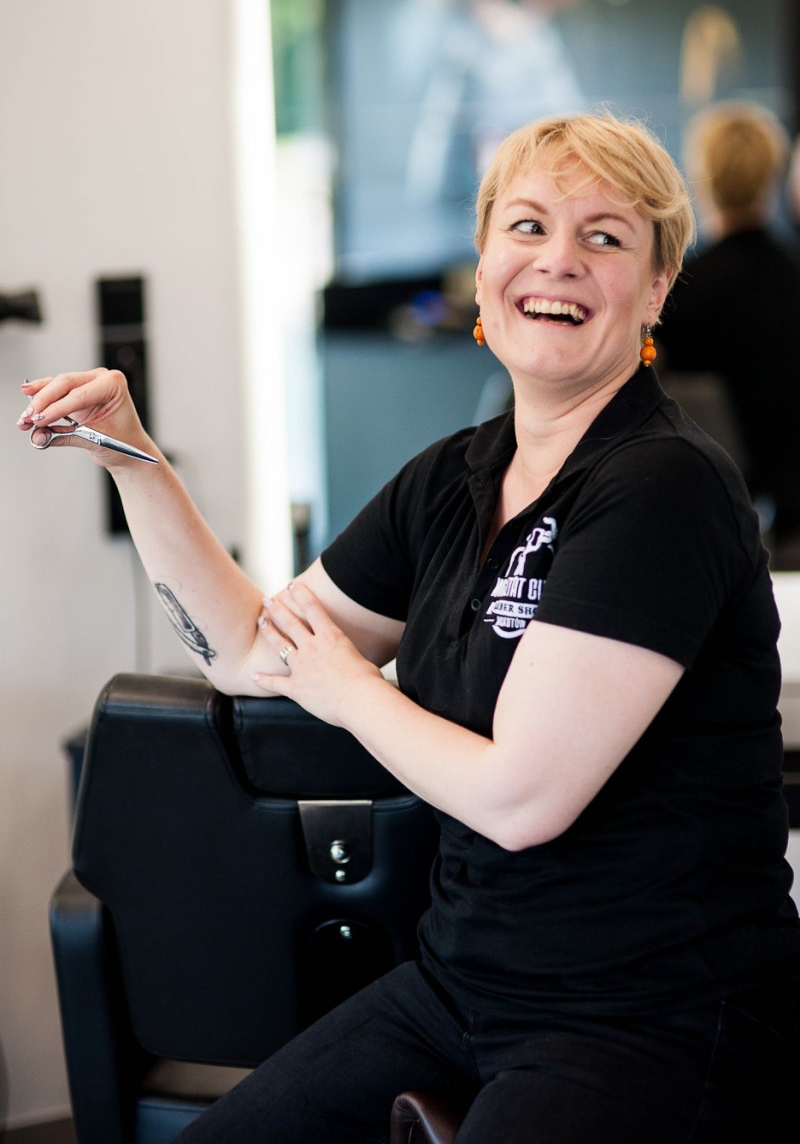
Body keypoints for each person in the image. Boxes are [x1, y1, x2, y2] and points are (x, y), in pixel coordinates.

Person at [17, 112, 800, 1142]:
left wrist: (349, 689)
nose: (557, 259)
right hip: (463, 982)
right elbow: (254, 652)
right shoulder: (450, 480)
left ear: (655, 289)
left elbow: (522, 797)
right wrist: (133, 457)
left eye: (604, 237)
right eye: (527, 225)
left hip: (650, 1014)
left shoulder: (663, 485)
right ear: (483, 263)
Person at [656, 100, 800, 569]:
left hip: (703, 518)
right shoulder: (793, 279)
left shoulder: (675, 297)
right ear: (772, 175)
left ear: (700, 178)